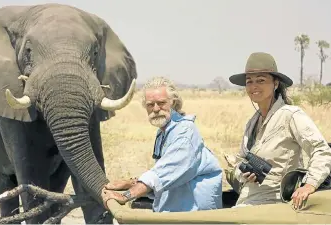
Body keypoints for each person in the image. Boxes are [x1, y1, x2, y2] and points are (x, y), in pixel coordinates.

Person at [225, 52, 331, 209]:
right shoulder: (252, 122)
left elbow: (321, 150)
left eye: (261, 80)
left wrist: (309, 185)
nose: (254, 86)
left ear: (275, 84)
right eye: (249, 81)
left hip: (273, 203)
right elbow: (241, 160)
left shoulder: (291, 115)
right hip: (247, 198)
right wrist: (243, 173)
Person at [101, 76, 223, 212]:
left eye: (161, 103)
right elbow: (165, 176)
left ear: (173, 103)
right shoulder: (164, 131)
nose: (156, 109)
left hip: (194, 216)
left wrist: (125, 195)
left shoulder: (185, 133)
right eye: (150, 105)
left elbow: (164, 173)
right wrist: (130, 183)